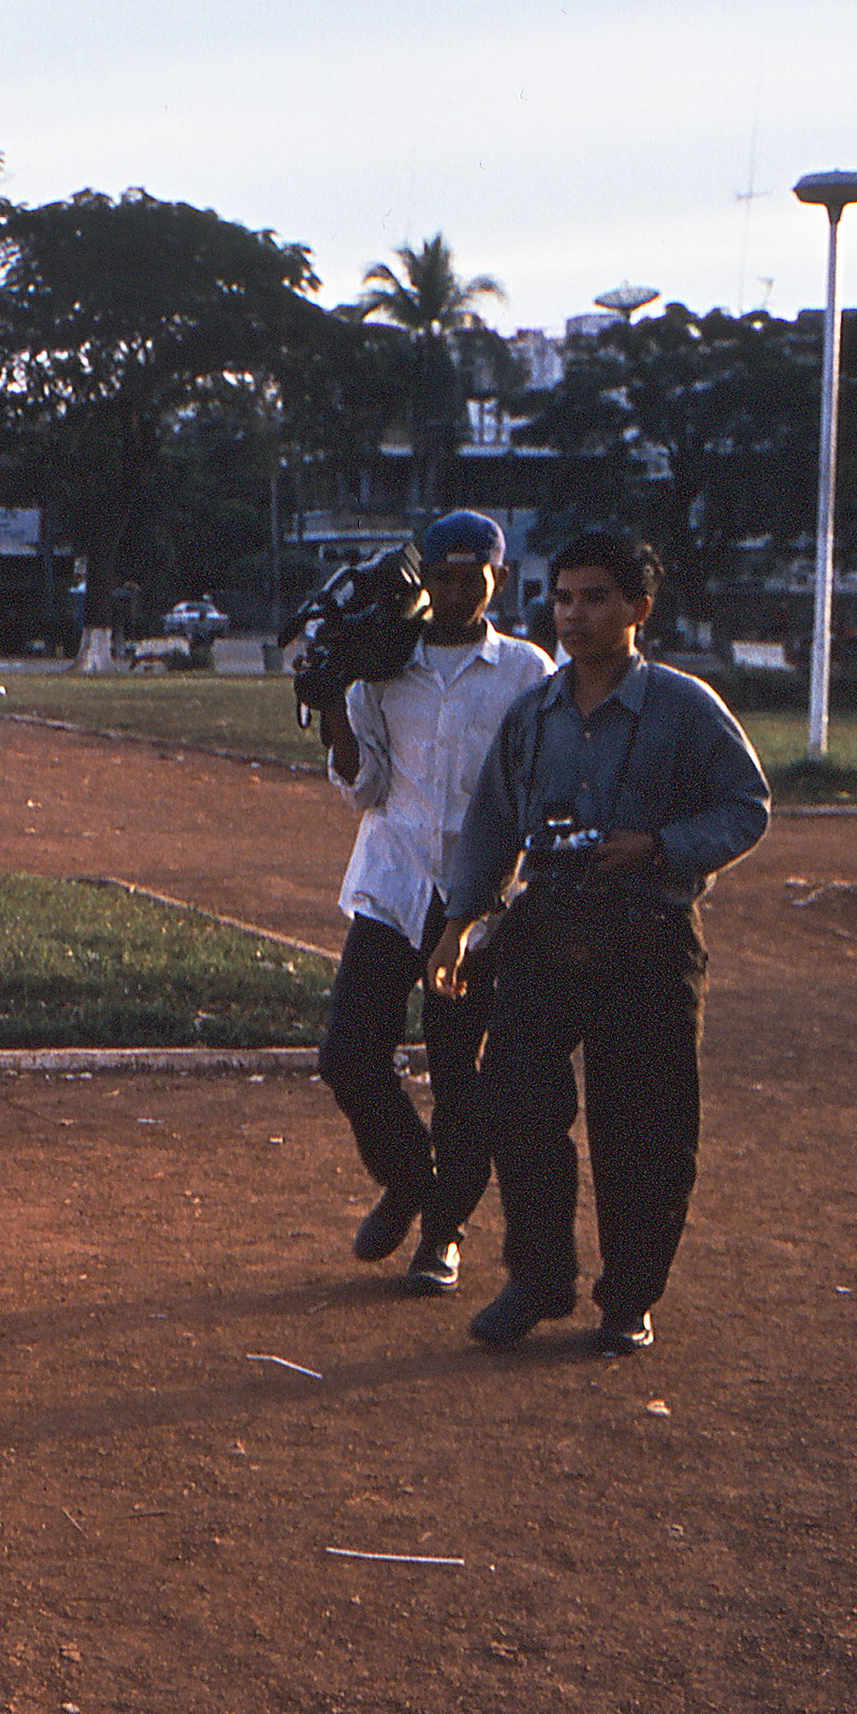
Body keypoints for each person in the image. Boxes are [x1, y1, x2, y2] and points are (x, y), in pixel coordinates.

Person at [432, 530, 769, 1356]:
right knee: (514, 1100)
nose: (573, 614)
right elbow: (489, 827)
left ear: (638, 611)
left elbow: (747, 805)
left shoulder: (685, 709)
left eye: (594, 598)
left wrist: (660, 846)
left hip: (648, 938)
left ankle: (628, 1297)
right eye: (563, 597)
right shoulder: (534, 713)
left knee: (645, 1125)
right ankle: (539, 1278)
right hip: (546, 932)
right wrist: (458, 924)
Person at [312, 512, 553, 1294]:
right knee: (349, 1053)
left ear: (499, 578)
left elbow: (533, 786)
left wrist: (502, 894)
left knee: (461, 1075)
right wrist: (334, 705)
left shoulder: (525, 672)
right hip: (393, 885)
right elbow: (366, 786)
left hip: (477, 902)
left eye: (469, 576)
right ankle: (410, 1177)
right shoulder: (385, 663)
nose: (453, 592)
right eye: (439, 577)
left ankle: (443, 1232)